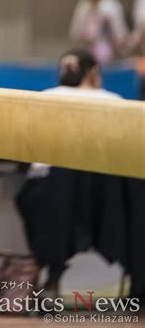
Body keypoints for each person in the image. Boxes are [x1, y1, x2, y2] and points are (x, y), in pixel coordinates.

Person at [17, 49, 123, 298]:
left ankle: (52, 272)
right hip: (100, 201)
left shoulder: (46, 98)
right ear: (94, 72)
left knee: (40, 192)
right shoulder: (115, 102)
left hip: (55, 194)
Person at [69, 0, 128, 64]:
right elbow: (121, 37)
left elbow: (74, 34)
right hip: (106, 56)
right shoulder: (111, 5)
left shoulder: (82, 5)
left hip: (86, 56)